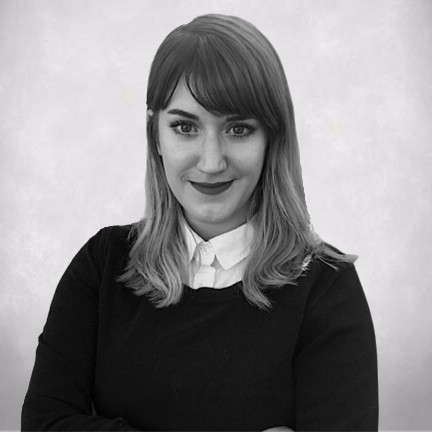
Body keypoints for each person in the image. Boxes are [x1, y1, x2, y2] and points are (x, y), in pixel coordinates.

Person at [21, 13, 379, 431]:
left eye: (238, 129)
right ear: (155, 134)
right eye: (185, 127)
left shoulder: (326, 287)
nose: (211, 162)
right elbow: (44, 423)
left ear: (272, 138)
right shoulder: (102, 266)